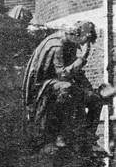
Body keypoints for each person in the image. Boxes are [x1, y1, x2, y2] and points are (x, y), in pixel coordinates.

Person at [22, 20, 112, 150]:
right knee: (67, 89)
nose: (85, 46)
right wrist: (83, 58)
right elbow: (62, 74)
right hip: (43, 87)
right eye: (85, 41)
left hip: (60, 83)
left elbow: (78, 74)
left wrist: (90, 91)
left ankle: (86, 136)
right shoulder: (57, 45)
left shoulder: (70, 45)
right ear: (79, 34)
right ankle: (59, 135)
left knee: (95, 99)